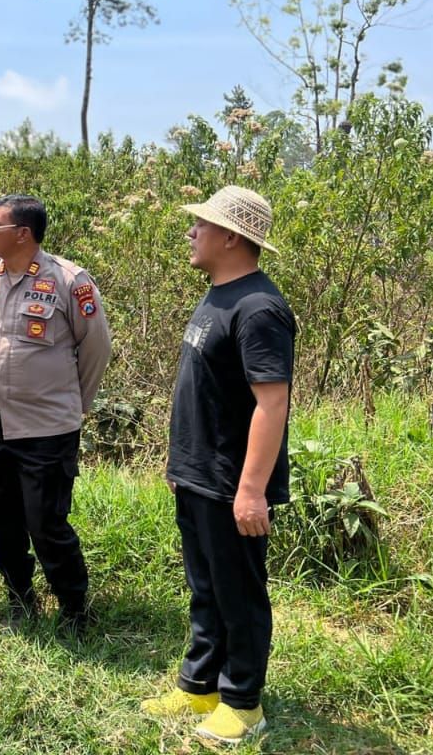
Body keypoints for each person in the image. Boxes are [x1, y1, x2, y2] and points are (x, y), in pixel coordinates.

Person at [141, 186, 294, 745]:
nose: (191, 232)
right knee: (204, 585)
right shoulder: (218, 295)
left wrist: (251, 490)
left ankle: (244, 701)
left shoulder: (259, 307)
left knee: (239, 592)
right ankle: (200, 684)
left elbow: (271, 403)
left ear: (230, 236)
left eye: (201, 225)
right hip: (198, 474)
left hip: (233, 482)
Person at [0, 195, 111, 635]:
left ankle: (73, 608)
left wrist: (72, 405)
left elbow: (96, 349)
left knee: (46, 524)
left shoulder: (69, 280)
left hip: (47, 428)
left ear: (22, 234)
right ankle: (19, 597)